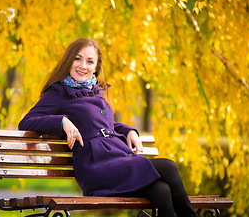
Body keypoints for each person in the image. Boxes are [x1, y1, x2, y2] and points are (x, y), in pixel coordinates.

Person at [18, 38, 196, 217]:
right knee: (168, 166)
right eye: (77, 59)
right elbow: (27, 121)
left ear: (96, 67)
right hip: (96, 166)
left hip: (116, 157)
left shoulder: (99, 90)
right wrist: (62, 121)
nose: (83, 66)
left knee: (162, 190)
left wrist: (129, 131)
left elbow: (105, 125)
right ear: (69, 60)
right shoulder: (59, 92)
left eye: (90, 61)